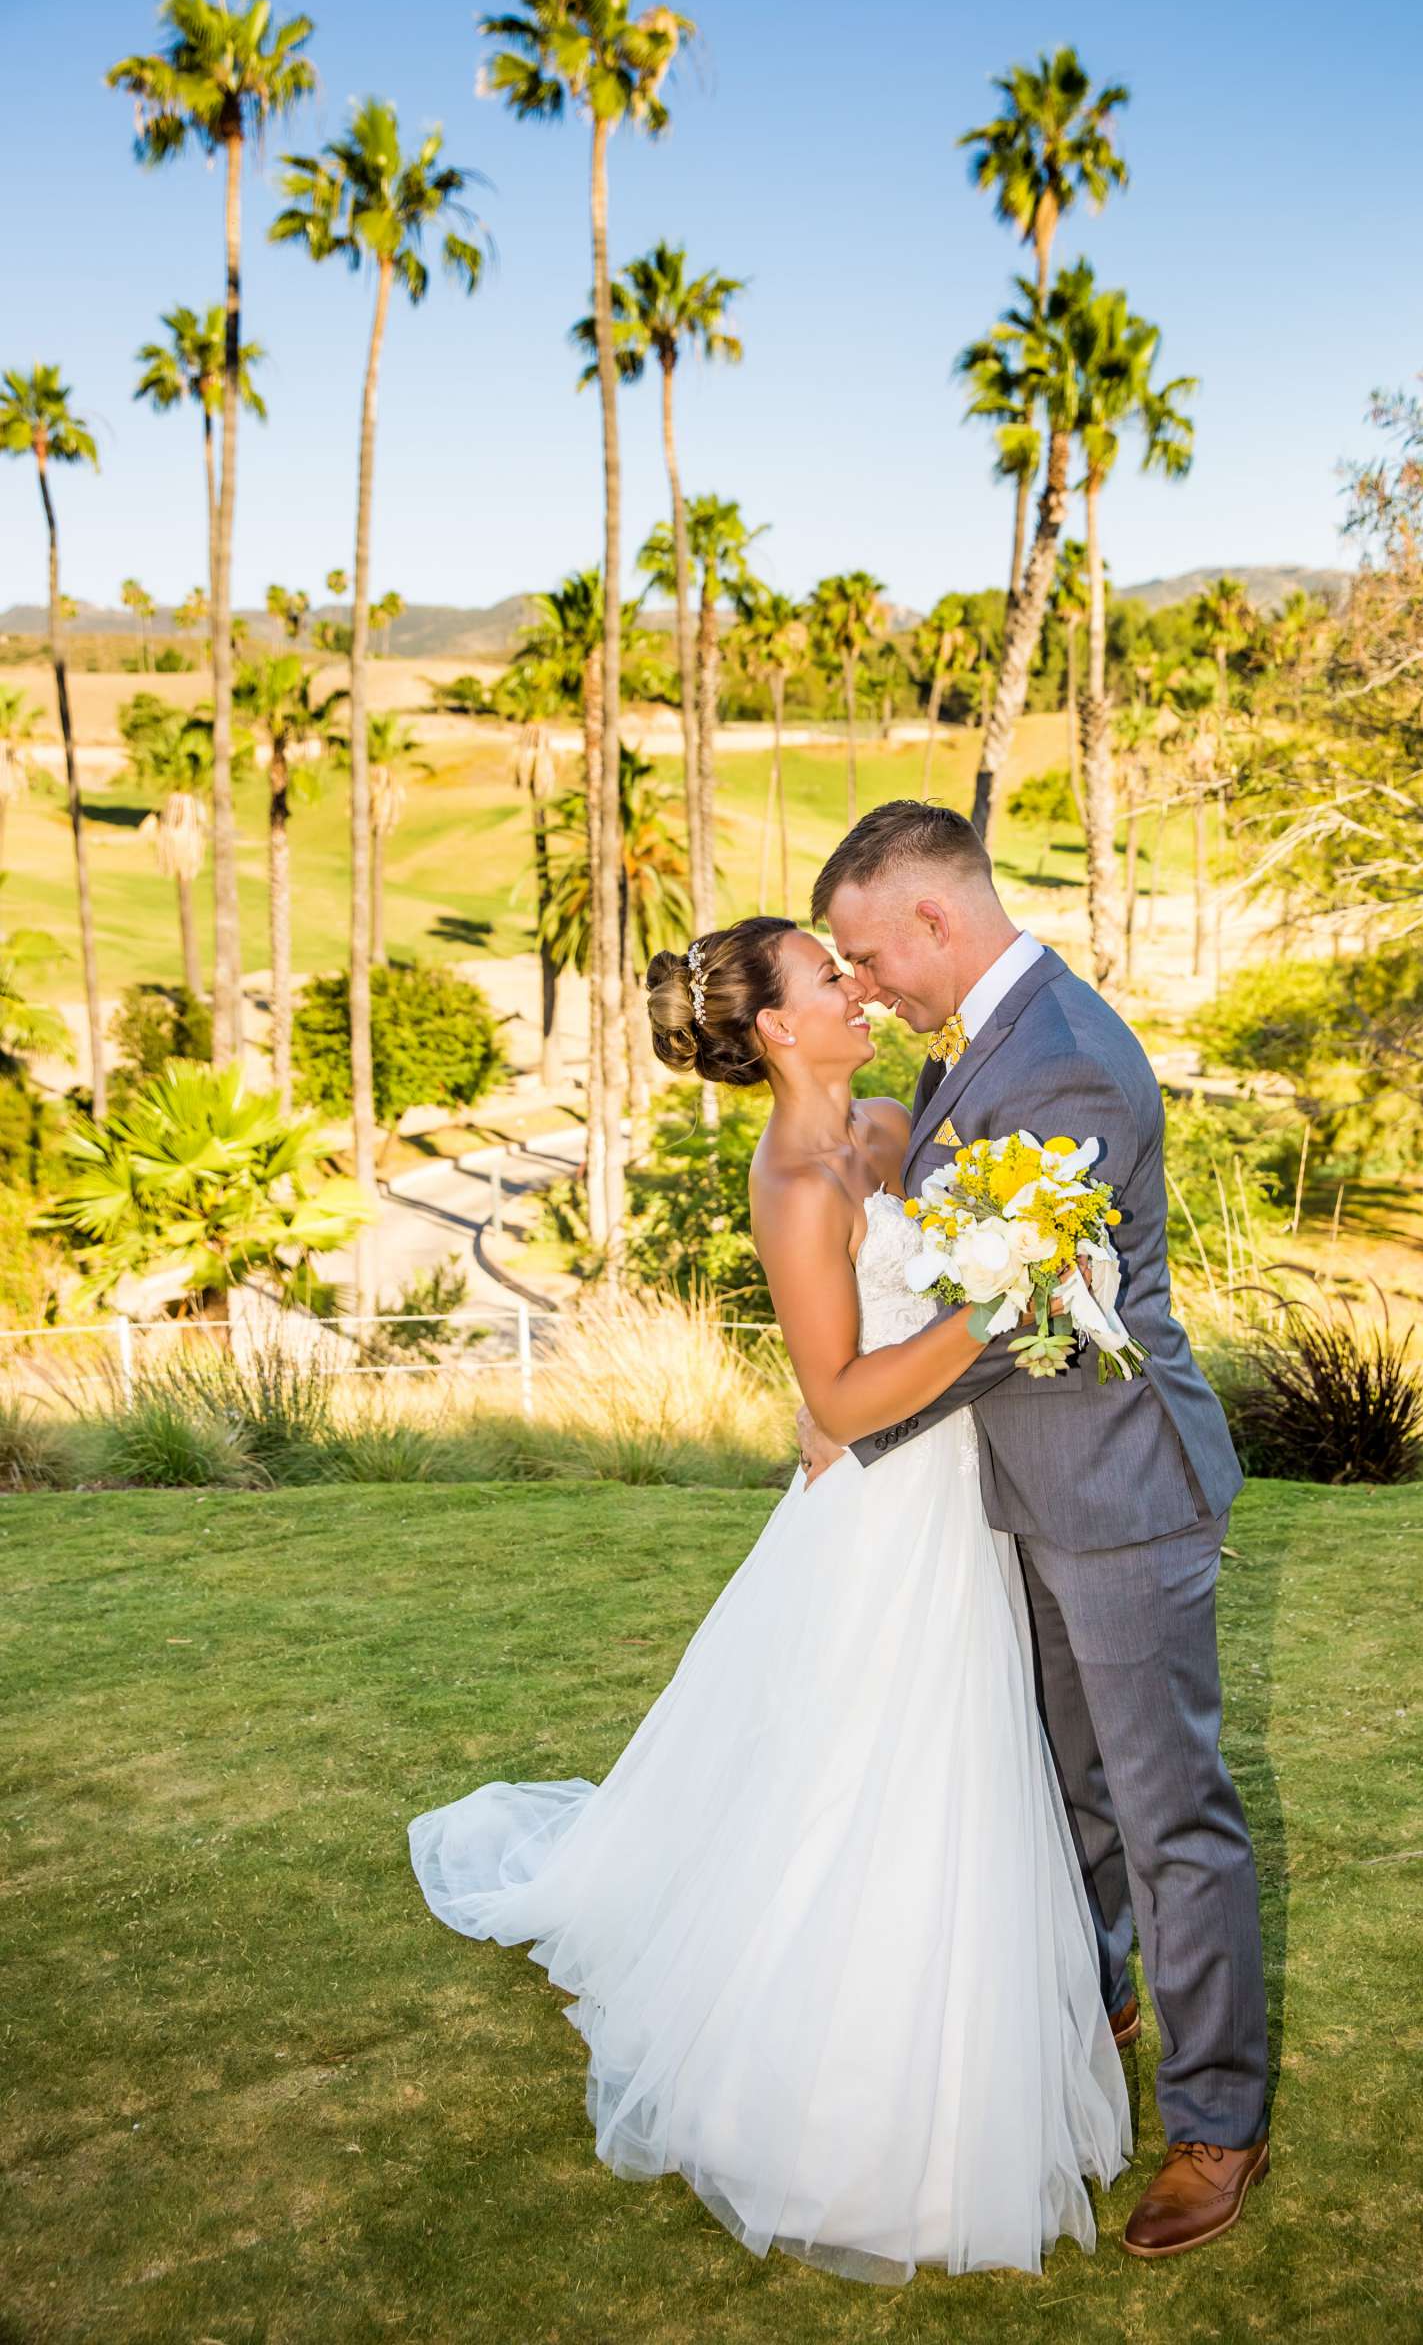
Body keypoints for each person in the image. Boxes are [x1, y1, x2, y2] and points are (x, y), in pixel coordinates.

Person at [407, 911, 1130, 2284]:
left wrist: (1010, 1253)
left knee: (964, 1770)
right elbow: (840, 1400)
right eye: (826, 976)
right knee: (880, 1780)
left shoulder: (884, 1116)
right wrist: (997, 1305)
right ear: (779, 1029)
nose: (857, 986)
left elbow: (936, 1265)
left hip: (954, 1493)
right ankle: (843, 2108)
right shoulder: (794, 1178)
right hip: (884, 1520)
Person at [806, 800, 1269, 2260]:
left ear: (936, 917)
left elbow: (1021, 1314)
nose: (867, 985)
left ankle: (1217, 2121)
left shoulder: (1060, 1059)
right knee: (1068, 1788)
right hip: (1027, 1492)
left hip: (1118, 1493)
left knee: (1168, 1817)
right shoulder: (988, 1040)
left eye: (872, 954)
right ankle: (1092, 2003)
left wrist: (853, 1415)